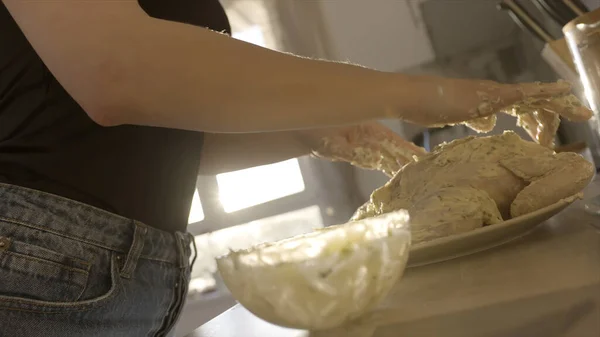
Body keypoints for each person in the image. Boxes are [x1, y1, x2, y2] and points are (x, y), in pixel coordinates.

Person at [0, 1, 590, 336]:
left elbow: (144, 134)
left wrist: (317, 129)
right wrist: (416, 93)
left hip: (96, 281)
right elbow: (117, 72)